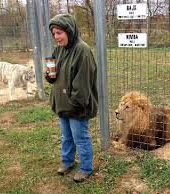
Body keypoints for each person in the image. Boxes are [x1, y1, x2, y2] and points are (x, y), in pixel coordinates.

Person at [44, 13, 98, 182]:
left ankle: (86, 168)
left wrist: (74, 104)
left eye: (59, 33)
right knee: (66, 137)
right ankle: (67, 161)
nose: (56, 37)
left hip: (76, 107)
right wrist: (49, 76)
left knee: (80, 138)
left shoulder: (83, 51)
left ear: (69, 30)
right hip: (62, 103)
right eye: (54, 34)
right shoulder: (58, 50)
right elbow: (55, 75)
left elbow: (82, 85)